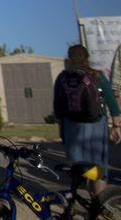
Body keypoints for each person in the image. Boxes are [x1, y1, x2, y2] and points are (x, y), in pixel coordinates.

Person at [55, 44, 121, 195]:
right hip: (97, 126)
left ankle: (85, 195)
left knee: (80, 166)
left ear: (69, 59)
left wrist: (61, 129)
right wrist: (117, 126)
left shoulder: (63, 78)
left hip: (72, 128)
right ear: (87, 58)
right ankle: (99, 201)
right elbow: (111, 101)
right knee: (98, 167)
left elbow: (58, 106)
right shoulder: (97, 76)